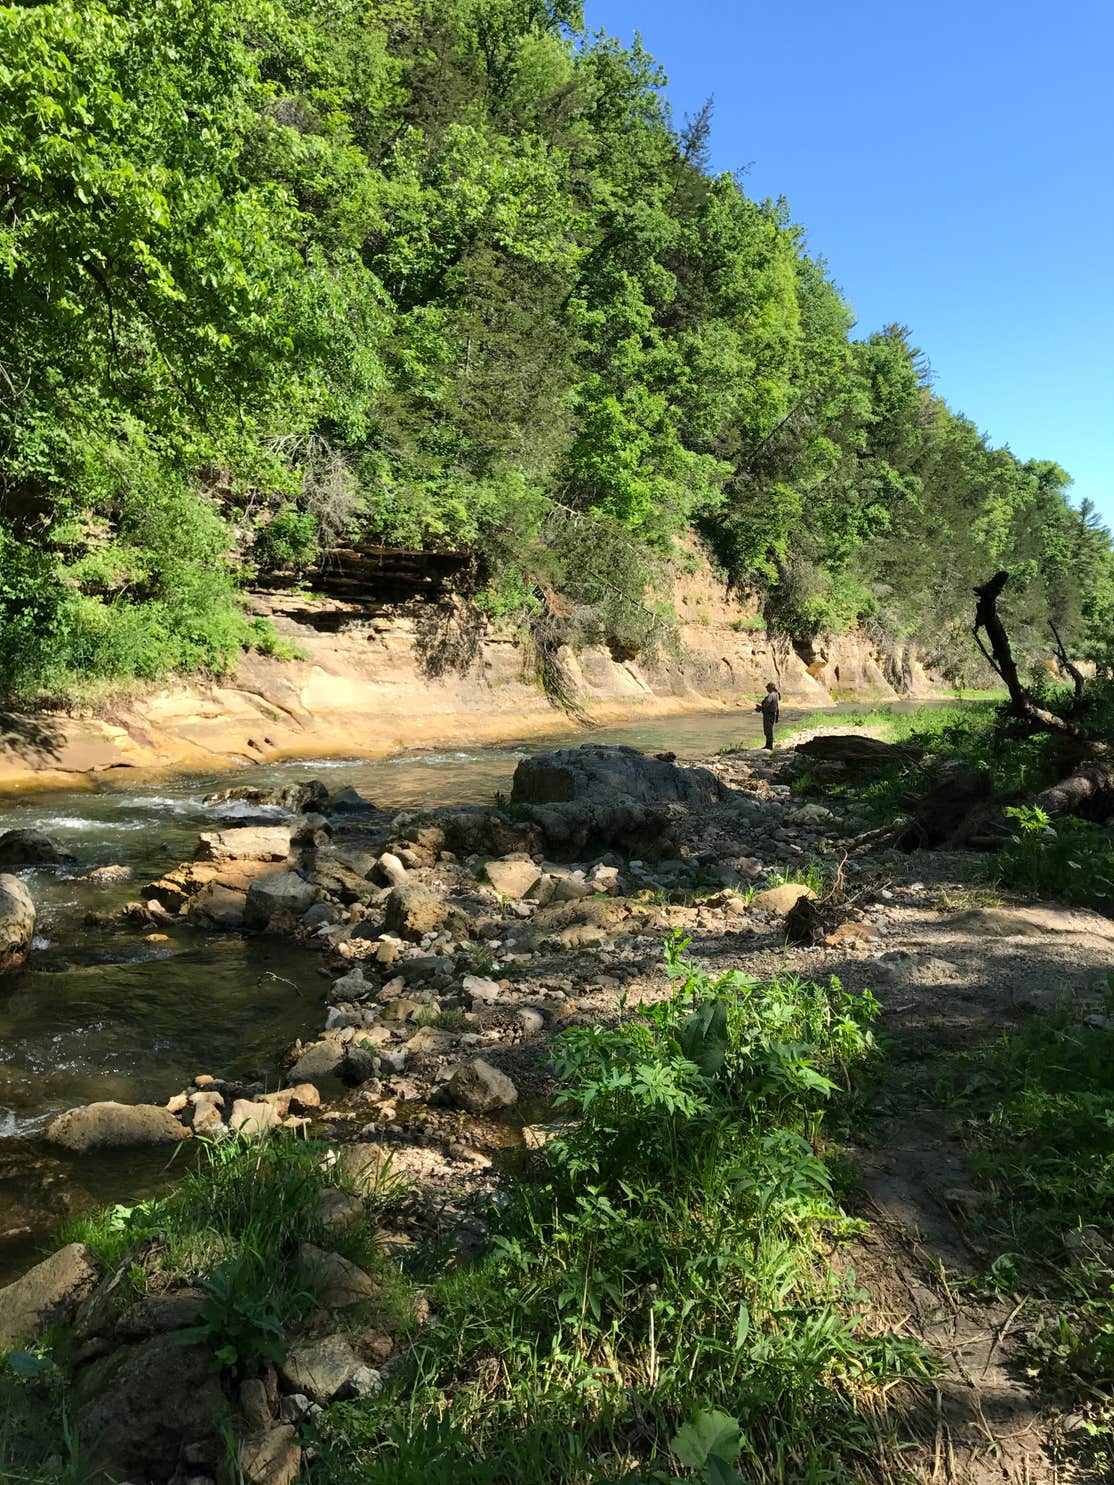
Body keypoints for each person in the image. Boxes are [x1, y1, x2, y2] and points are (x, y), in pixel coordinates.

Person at [755, 681, 780, 749]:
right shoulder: (776, 694)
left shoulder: (771, 695)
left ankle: (769, 746)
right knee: (769, 729)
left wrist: (760, 707)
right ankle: (768, 745)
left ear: (770, 688)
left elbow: (767, 704)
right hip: (772, 714)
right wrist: (777, 716)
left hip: (768, 715)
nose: (767, 689)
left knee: (768, 730)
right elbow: (776, 706)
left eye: (767, 687)